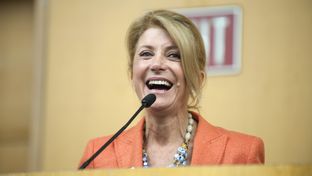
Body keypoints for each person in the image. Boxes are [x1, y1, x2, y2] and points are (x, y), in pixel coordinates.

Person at [79, 9, 264, 169]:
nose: (157, 64)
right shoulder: (98, 155)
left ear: (197, 79)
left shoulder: (243, 152)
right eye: (146, 54)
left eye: (174, 55)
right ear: (132, 75)